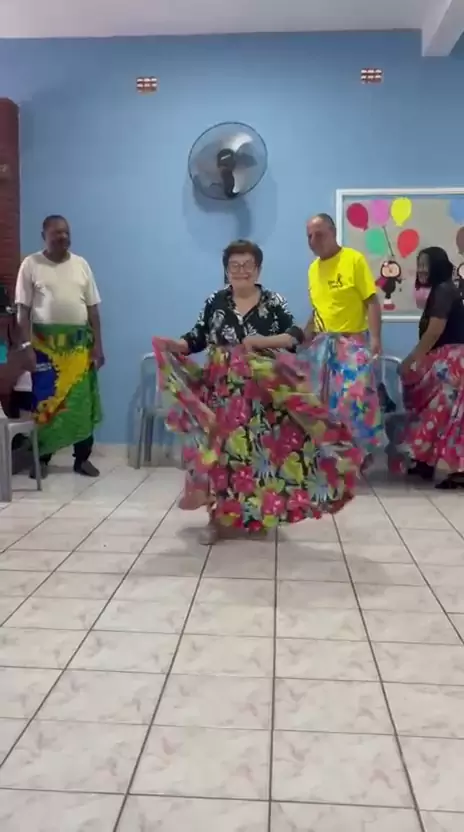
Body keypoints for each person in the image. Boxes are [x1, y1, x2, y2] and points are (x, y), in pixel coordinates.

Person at [154, 239, 365, 544]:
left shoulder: (273, 301)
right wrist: (174, 345)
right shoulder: (215, 301)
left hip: (263, 394)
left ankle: (259, 516)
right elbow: (197, 337)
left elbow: (294, 335)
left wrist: (258, 343)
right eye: (234, 265)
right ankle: (216, 520)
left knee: (260, 456)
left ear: (258, 269)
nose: (241, 271)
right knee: (221, 458)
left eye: (247, 265)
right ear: (226, 271)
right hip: (222, 393)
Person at [15, 215, 104, 479]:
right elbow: (22, 312)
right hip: (46, 350)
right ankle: (42, 458)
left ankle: (82, 459)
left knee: (80, 403)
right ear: (44, 236)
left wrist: (98, 346)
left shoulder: (81, 264)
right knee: (47, 402)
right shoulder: (31, 265)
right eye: (56, 233)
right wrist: (27, 347)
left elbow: (93, 310)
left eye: (66, 232)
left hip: (79, 348)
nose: (63, 237)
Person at [304, 213, 383, 460]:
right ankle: (334, 460)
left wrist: (375, 339)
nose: (313, 241)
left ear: (333, 232)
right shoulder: (313, 269)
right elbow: (319, 310)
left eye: (319, 234)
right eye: (309, 236)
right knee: (323, 405)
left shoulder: (353, 259)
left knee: (356, 399)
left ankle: (361, 455)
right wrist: (303, 337)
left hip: (352, 343)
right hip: (321, 346)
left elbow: (371, 301)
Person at [393, 246, 464, 489]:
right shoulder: (442, 290)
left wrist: (411, 360)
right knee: (434, 414)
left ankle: (456, 470)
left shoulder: (443, 290)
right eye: (419, 265)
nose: (421, 270)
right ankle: (426, 462)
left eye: (425, 265)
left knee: (445, 416)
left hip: (453, 363)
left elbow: (434, 331)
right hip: (450, 361)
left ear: (437, 266)